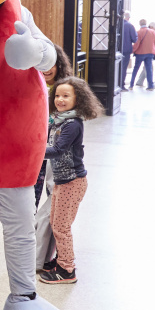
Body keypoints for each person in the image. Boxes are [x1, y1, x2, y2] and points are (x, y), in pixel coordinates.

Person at [39, 76, 103, 283]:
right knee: (55, 222)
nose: (60, 99)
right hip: (62, 180)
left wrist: (32, 151)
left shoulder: (72, 124)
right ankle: (61, 260)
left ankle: (67, 270)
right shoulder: (60, 119)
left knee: (61, 227)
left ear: (79, 99)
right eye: (57, 95)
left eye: (66, 96)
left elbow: (58, 150)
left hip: (72, 181)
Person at [35, 44, 74, 272]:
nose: (47, 69)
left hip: (54, 155)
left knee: (54, 211)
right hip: (35, 152)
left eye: (51, 63)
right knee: (31, 204)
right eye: (41, 63)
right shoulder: (32, 84)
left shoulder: (66, 90)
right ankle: (35, 255)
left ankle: (51, 260)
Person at [129, 19, 155, 90]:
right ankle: (150, 86)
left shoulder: (138, 32)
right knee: (149, 69)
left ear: (140, 24)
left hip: (140, 53)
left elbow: (136, 44)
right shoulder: (152, 32)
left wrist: (131, 51)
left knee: (136, 69)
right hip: (150, 53)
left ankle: (131, 85)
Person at [120, 12, 137, 91]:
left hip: (116, 50)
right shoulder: (130, 26)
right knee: (123, 68)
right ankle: (121, 85)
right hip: (126, 50)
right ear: (128, 18)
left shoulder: (117, 24)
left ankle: (114, 84)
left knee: (116, 67)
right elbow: (134, 39)